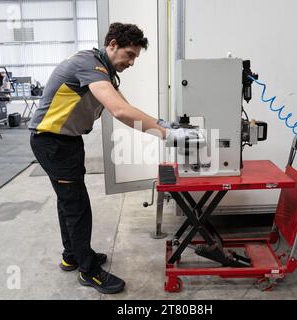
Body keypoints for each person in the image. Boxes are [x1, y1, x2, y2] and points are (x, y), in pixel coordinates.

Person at [29, 22, 196, 294]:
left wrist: (165, 125)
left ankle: (71, 255)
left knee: (68, 201)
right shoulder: (89, 64)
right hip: (52, 142)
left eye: (135, 58)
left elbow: (126, 110)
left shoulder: (103, 72)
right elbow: (118, 111)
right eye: (129, 54)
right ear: (113, 44)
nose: (131, 62)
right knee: (77, 206)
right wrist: (167, 134)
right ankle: (88, 271)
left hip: (65, 141)